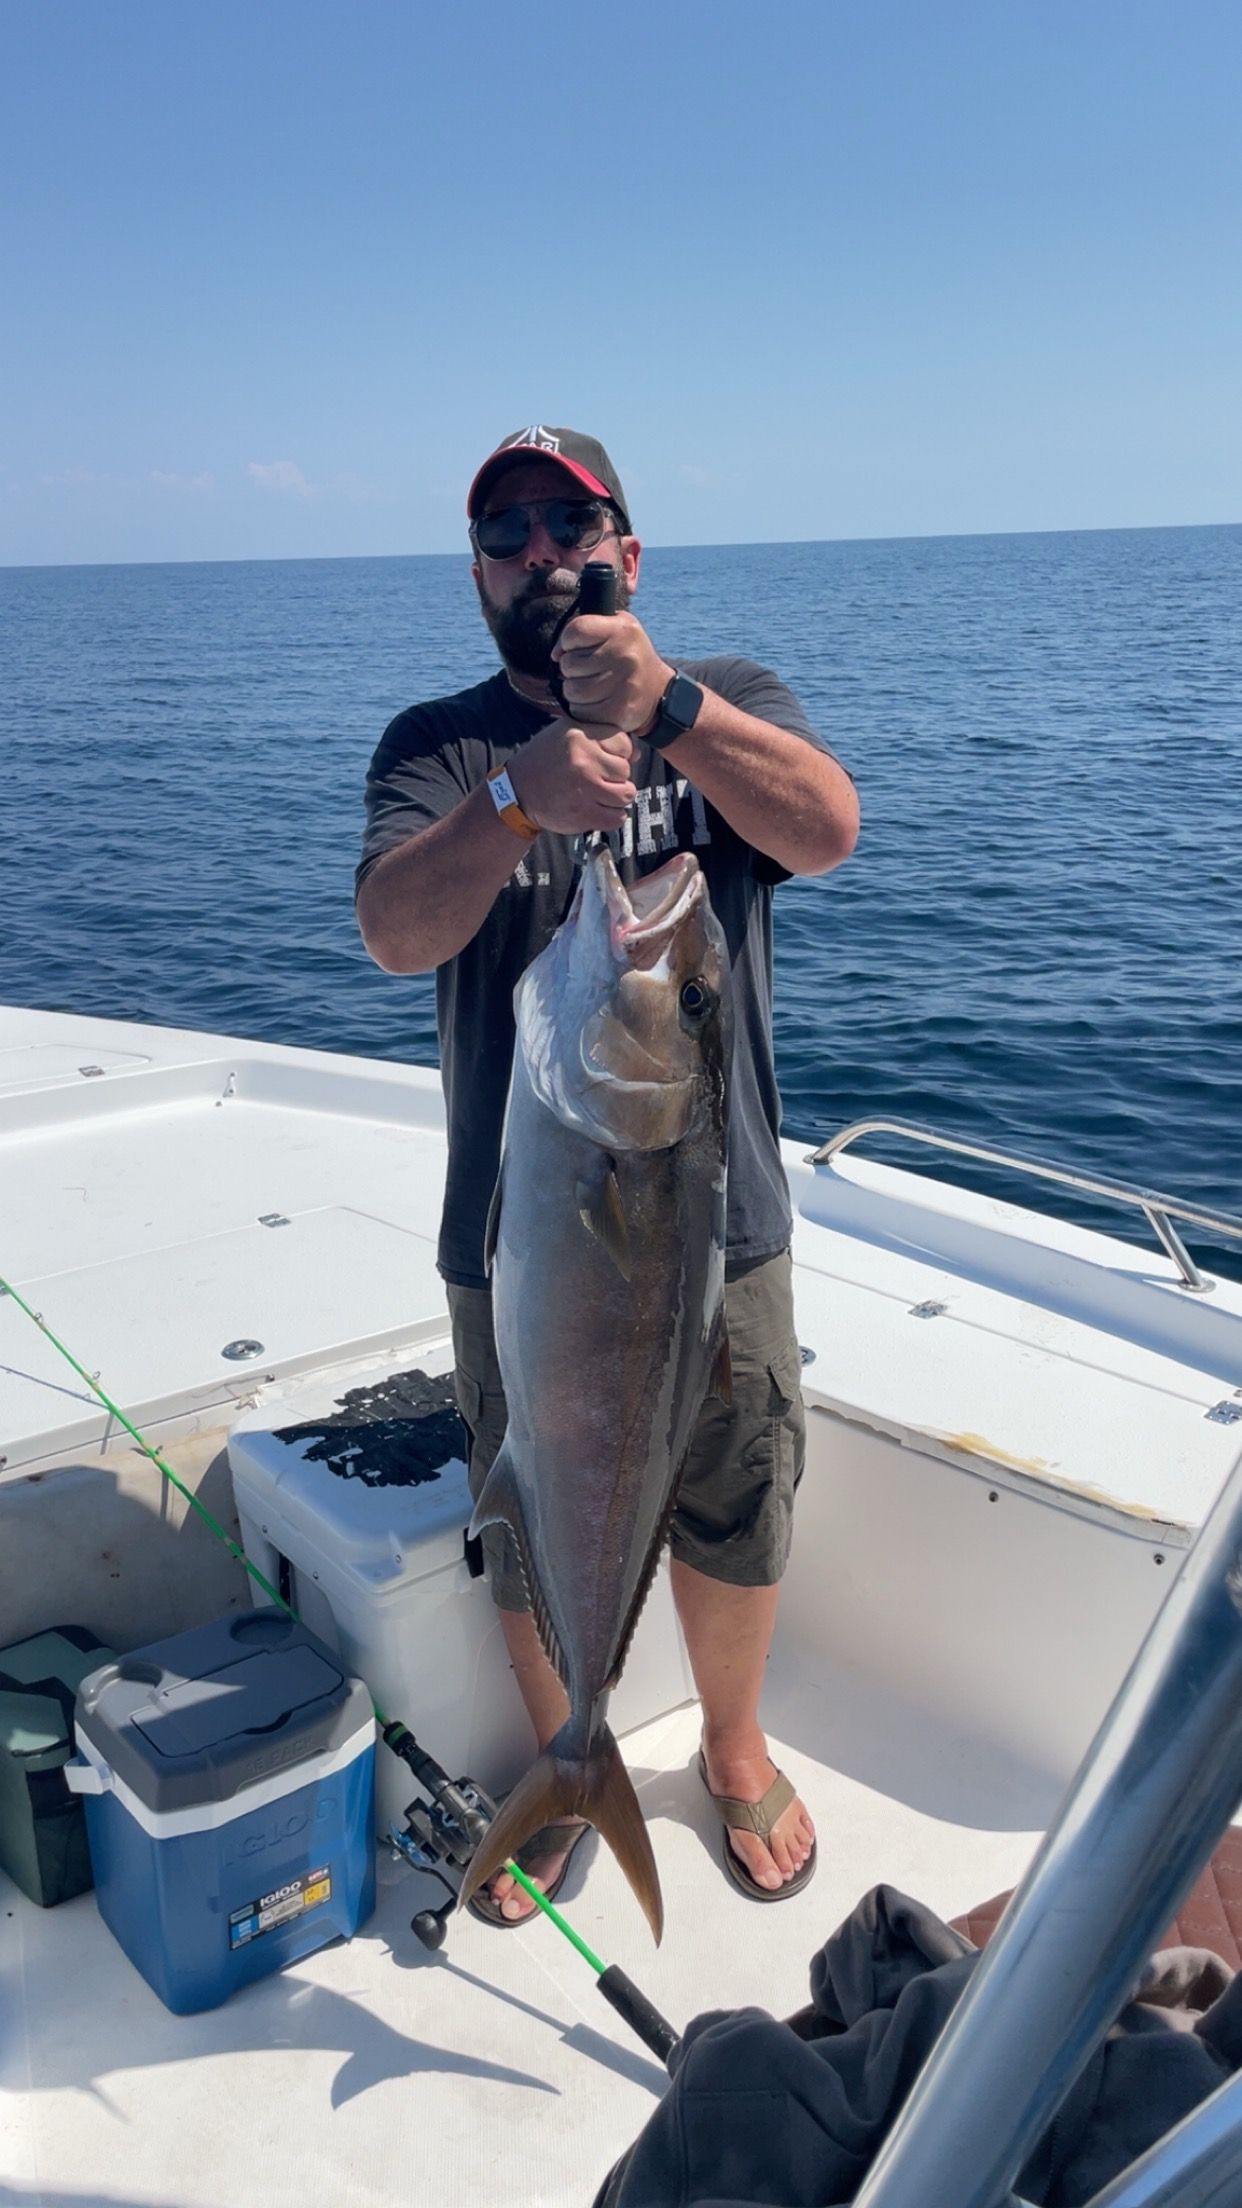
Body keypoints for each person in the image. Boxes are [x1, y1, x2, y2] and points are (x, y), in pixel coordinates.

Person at [356, 426, 859, 1922]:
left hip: (719, 1218)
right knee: (531, 1499)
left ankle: (727, 1740)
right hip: (521, 1231)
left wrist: (674, 711)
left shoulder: (731, 702)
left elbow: (824, 830)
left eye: (570, 526)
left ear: (626, 555)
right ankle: (563, 1756)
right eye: (504, 535)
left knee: (733, 1485)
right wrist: (514, 801)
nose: (538, 554)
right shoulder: (436, 748)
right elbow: (392, 934)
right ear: (475, 578)